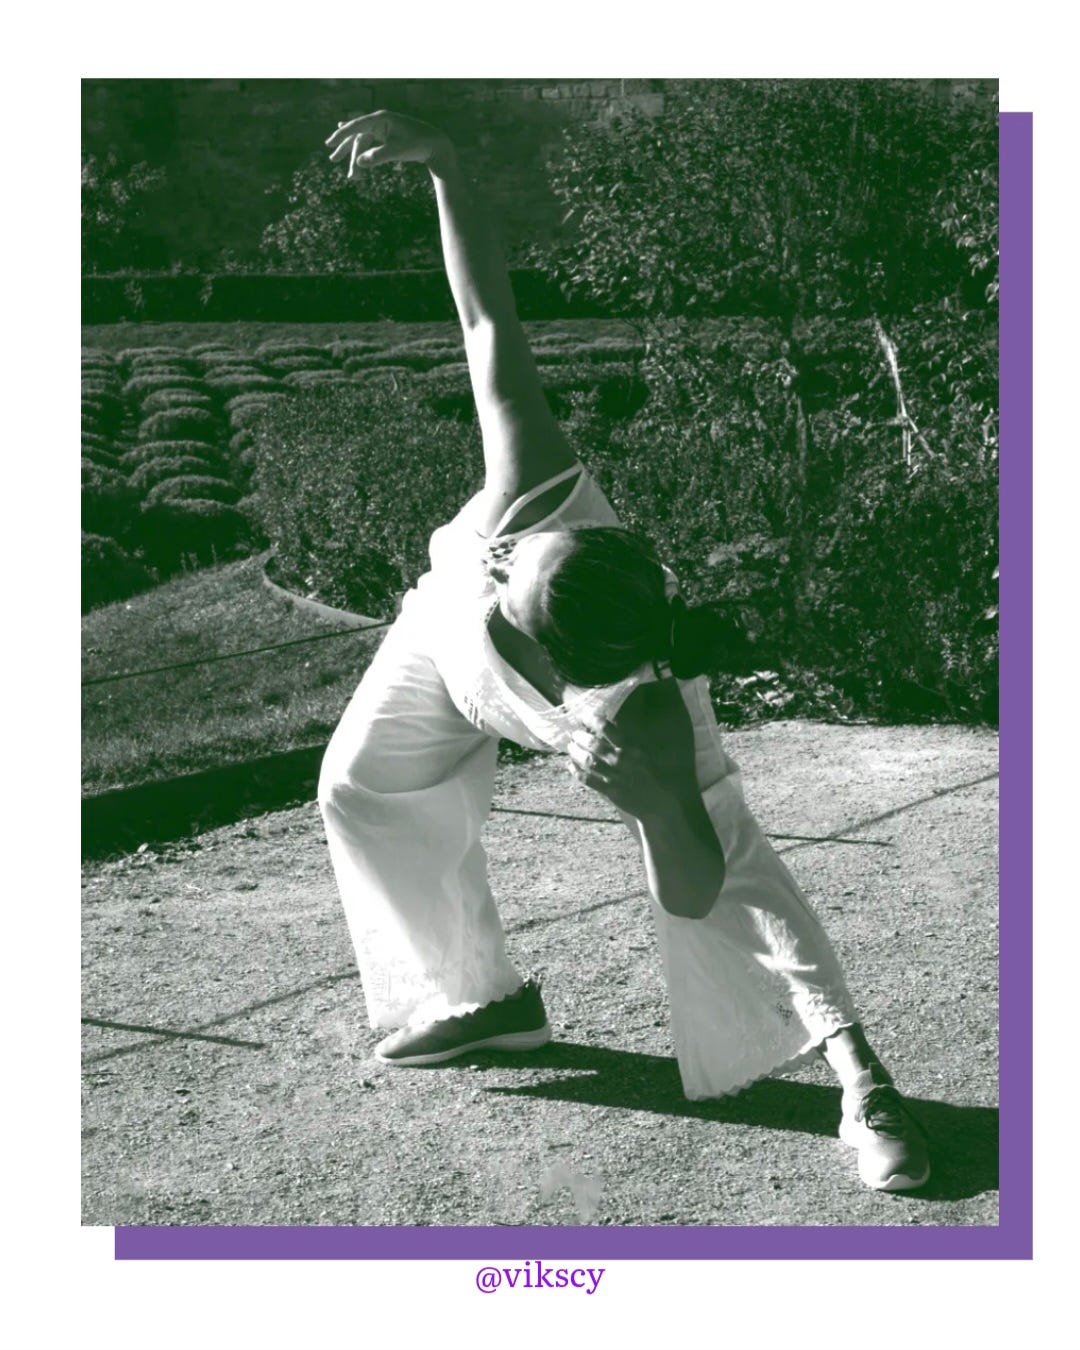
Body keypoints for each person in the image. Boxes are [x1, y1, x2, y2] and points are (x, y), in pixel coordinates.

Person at [318, 110, 930, 1193]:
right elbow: (483, 320)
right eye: (526, 552)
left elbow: (704, 888)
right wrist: (448, 164)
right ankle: (482, 1002)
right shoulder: (530, 498)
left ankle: (863, 1081)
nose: (503, 555)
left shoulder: (638, 713)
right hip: (440, 640)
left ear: (566, 655)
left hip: (537, 705)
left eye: (517, 571)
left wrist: (651, 812)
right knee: (359, 787)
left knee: (745, 872)